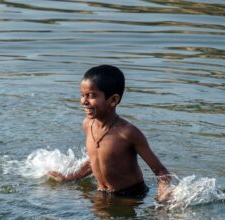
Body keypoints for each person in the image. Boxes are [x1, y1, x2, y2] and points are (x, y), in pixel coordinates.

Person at [48, 64, 172, 202]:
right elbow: (96, 160)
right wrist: (70, 177)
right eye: (82, 95)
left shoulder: (127, 133)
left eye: (91, 96)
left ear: (113, 100)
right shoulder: (87, 124)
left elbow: (161, 172)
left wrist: (163, 193)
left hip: (131, 196)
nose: (84, 101)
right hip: (102, 193)